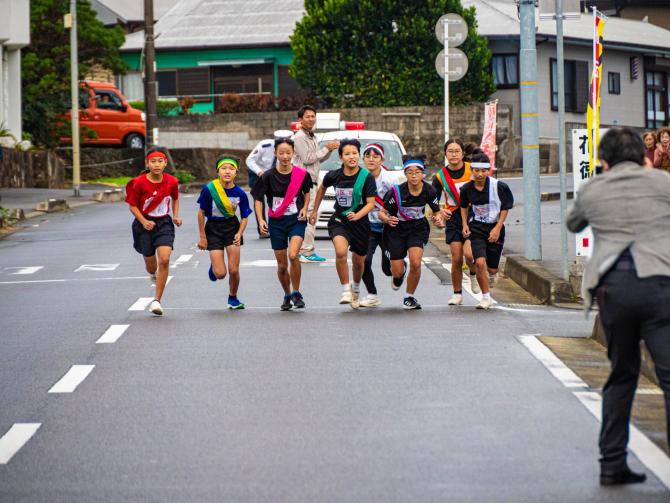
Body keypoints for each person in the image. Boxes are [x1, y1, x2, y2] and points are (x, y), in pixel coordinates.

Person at [567, 126, 670, 487]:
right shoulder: (662, 184)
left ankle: (612, 463)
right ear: (643, 157)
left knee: (622, 374)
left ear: (605, 161)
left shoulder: (594, 187)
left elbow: (572, 222)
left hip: (613, 289)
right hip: (660, 285)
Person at [310, 138, 376, 307]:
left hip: (360, 223)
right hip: (340, 220)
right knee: (340, 252)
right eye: (347, 154)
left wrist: (358, 214)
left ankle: (356, 287)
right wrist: (315, 210)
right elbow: (322, 188)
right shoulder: (334, 175)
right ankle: (345, 289)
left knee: (358, 261)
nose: (351, 157)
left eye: (354, 153)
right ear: (341, 157)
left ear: (359, 156)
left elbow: (371, 203)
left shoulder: (366, 177)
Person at [252, 138, 313, 311]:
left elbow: (306, 192)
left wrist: (305, 208)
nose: (285, 156)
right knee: (281, 265)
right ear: (275, 153)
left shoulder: (302, 174)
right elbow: (258, 199)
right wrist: (261, 219)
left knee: (293, 255)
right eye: (281, 153)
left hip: (296, 220)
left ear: (293, 153)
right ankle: (287, 294)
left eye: (288, 153)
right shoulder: (268, 176)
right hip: (276, 222)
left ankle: (297, 292)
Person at [379, 156, 445, 310]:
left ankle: (409, 297)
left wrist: (439, 221)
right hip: (396, 229)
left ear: (423, 174)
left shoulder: (429, 190)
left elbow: (437, 212)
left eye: (417, 172)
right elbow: (381, 213)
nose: (414, 175)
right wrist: (387, 220)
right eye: (410, 172)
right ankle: (399, 273)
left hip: (417, 229)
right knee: (396, 272)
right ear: (405, 174)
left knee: (416, 263)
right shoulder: (396, 192)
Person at [125, 146, 182, 316]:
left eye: (160, 161)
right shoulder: (138, 183)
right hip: (144, 224)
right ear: (147, 164)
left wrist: (176, 215)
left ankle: (156, 301)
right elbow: (132, 206)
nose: (157, 164)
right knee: (151, 264)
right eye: (153, 161)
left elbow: (175, 198)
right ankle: (152, 273)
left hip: (164, 223)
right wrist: (143, 221)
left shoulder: (172, 181)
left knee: (164, 259)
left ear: (165, 163)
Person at [196, 155, 252, 309]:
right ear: (218, 171)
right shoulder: (209, 190)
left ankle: (233, 298)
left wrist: (240, 233)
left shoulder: (240, 193)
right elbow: (201, 213)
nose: (227, 171)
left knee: (234, 270)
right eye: (224, 168)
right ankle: (215, 267)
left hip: (232, 228)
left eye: (231, 169)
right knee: (220, 274)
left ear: (236, 172)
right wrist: (202, 237)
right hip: (213, 229)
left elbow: (245, 216)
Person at [459, 152, 514, 310]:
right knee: (480, 262)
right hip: (477, 228)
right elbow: (463, 207)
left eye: (483, 171)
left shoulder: (499, 186)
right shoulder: (467, 188)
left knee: (492, 268)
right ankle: (486, 297)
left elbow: (505, 207)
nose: (480, 174)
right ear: (472, 170)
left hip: (495, 227)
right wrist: (465, 224)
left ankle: (494, 272)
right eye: (476, 170)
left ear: (488, 170)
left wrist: (497, 228)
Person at [431, 138, 478, 306]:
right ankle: (457, 293)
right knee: (457, 258)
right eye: (450, 151)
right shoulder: (440, 176)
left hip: (473, 215)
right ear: (445, 154)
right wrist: (438, 212)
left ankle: (473, 274)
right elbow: (432, 199)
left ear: (463, 153)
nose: (453, 154)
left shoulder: (472, 169)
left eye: (457, 151)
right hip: (453, 217)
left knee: (470, 255)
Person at [292, 105, 339, 263]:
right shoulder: (299, 137)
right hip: (303, 182)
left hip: (312, 180)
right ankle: (306, 250)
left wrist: (329, 150)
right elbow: (308, 158)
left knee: (308, 215)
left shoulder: (312, 136)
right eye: (308, 116)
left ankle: (302, 249)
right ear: (300, 119)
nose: (311, 119)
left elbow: (318, 158)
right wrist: (326, 148)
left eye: (313, 116)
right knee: (310, 214)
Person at [359, 143, 394, 307]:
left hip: (386, 227)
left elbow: (397, 203)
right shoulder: (359, 177)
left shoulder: (389, 180)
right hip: (368, 227)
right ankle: (372, 294)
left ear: (382, 160)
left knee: (389, 270)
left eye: (375, 156)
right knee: (364, 261)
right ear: (363, 159)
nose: (371, 159)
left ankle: (400, 268)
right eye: (367, 156)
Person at [246, 130, 294, 238]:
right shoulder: (265, 145)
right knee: (259, 199)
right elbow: (249, 160)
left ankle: (280, 226)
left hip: (276, 175)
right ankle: (263, 228)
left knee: (276, 199)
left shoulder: (293, 148)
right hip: (259, 173)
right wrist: (260, 172)